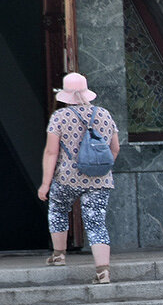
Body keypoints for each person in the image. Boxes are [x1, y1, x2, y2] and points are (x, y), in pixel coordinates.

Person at [37, 72, 121, 285]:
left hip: (67, 178)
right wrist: (99, 167)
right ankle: (103, 271)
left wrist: (46, 184)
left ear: (66, 95)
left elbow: (51, 152)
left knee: (57, 208)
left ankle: (59, 254)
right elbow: (115, 148)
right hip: (100, 180)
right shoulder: (104, 114)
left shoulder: (59, 117)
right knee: (96, 223)